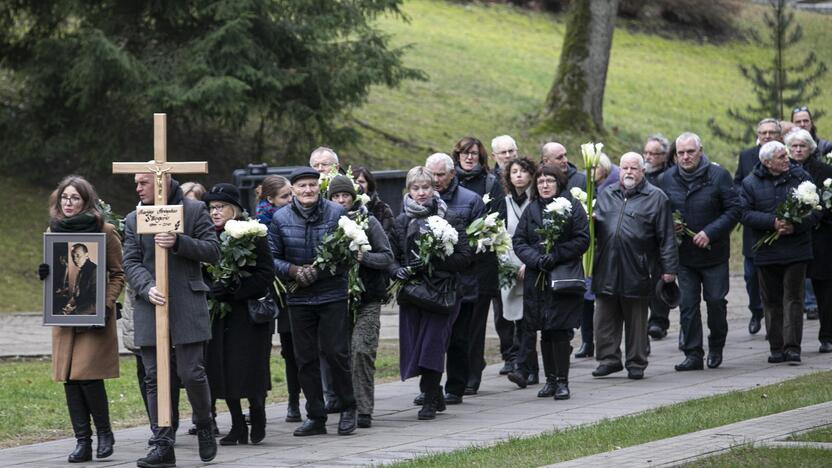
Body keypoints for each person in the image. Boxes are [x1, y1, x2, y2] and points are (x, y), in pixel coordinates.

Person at [123, 174, 220, 467]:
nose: (137, 188)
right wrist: (146, 286)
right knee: (155, 377)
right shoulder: (133, 218)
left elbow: (213, 251)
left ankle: (204, 425)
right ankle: (162, 442)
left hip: (187, 301)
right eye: (136, 183)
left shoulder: (193, 210)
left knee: (192, 372)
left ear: (161, 183)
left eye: (143, 182)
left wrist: (180, 242)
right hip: (151, 304)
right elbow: (131, 261)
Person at [39, 176, 125, 463]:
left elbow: (118, 273)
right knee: (70, 379)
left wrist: (105, 304)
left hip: (94, 317)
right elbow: (59, 276)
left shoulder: (105, 230)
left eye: (75, 197)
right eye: (65, 197)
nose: (68, 203)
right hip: (65, 319)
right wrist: (46, 275)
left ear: (86, 200)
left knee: (87, 376)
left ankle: (105, 434)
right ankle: (82, 441)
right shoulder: (54, 231)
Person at [268, 167, 357, 436]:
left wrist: (320, 269)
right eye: (302, 186)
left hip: (331, 294)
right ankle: (316, 415)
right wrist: (293, 271)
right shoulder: (280, 217)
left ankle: (348, 407)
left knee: (336, 352)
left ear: (319, 188)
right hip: (299, 297)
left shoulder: (336, 213)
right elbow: (271, 257)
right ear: (293, 190)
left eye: (312, 185)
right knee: (304, 358)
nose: (307, 190)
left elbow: (348, 255)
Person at [389, 166, 472, 419]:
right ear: (409, 190)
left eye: (426, 187)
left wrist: (434, 262)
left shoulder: (451, 218)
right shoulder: (401, 220)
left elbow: (465, 256)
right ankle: (434, 392)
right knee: (416, 344)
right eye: (416, 188)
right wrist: (398, 271)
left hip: (442, 292)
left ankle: (428, 398)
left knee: (432, 344)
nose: (421, 193)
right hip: (413, 294)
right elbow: (390, 255)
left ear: (434, 188)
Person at [591, 153, 678, 380]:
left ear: (643, 171)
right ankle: (608, 359)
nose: (628, 172)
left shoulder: (656, 197)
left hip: (639, 267)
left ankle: (636, 362)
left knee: (637, 320)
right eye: (624, 168)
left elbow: (666, 236)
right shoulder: (606, 194)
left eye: (633, 168)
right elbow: (595, 230)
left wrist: (669, 269)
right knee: (603, 318)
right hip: (607, 265)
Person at [658, 133, 741, 371]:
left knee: (715, 302)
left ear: (700, 151)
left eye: (690, 152)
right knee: (688, 305)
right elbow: (662, 210)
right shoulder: (667, 178)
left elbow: (734, 209)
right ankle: (693, 353)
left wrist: (710, 232)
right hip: (684, 256)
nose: (685, 157)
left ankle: (716, 346)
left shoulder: (719, 176)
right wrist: (671, 226)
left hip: (713, 254)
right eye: (680, 153)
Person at [202, 183, 275, 446]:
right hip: (220, 316)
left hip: (248, 314)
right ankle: (236, 426)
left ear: (234, 208)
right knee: (223, 369)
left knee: (250, 368)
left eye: (220, 207)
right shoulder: (208, 236)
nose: (215, 212)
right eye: (211, 207)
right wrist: (213, 290)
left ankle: (258, 413)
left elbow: (266, 274)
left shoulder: (252, 233)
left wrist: (235, 289)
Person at [510, 165, 589, 400]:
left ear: (559, 183)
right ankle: (550, 380)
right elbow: (519, 240)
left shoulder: (571, 207)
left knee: (560, 330)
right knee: (544, 329)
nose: (545, 185)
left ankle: (563, 381)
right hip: (538, 278)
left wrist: (556, 254)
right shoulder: (532, 209)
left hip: (562, 277)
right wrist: (536, 259)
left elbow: (582, 238)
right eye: (541, 181)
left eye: (550, 181)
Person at [740, 140, 819, 364]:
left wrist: (796, 225)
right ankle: (776, 346)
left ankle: (793, 347)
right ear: (767, 162)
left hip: (797, 249)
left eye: (786, 155)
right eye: (782, 157)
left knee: (794, 298)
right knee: (771, 300)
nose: (788, 159)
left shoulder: (800, 177)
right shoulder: (750, 183)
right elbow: (744, 213)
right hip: (767, 251)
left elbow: (816, 210)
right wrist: (772, 223)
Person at [327, 175, 394, 428]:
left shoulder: (369, 221)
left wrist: (362, 257)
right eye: (336, 196)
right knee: (340, 353)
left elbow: (386, 257)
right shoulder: (328, 223)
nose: (341, 200)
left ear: (353, 197)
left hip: (368, 297)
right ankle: (347, 404)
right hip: (336, 299)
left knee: (362, 350)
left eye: (345, 195)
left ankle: (364, 408)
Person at [424, 152, 485, 405]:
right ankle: (429, 388)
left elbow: (480, 243)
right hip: (430, 284)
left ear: (452, 174)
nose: (436, 180)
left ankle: (455, 387)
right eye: (432, 174)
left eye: (440, 174)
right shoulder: (422, 198)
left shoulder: (471, 201)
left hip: (463, 281)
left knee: (459, 339)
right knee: (430, 339)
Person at [451, 137, 504, 394]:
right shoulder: (450, 182)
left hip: (481, 264)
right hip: (455, 265)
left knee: (475, 324)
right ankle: (455, 375)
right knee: (455, 325)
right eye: (465, 153)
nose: (469, 158)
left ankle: (473, 374)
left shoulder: (490, 183)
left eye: (474, 154)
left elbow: (497, 220)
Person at [255, 175, 302, 421]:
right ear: (269, 199)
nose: (291, 200)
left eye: (291, 194)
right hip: (277, 293)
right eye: (285, 196)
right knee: (288, 349)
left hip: (297, 286)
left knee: (300, 348)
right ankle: (292, 401)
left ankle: (303, 399)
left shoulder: (297, 215)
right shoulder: (259, 224)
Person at [784, 129, 832, 353]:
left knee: (824, 289)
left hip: (821, 237)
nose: (798, 150)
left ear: (810, 148)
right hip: (794, 239)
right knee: (794, 290)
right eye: (793, 146)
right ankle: (791, 340)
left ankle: (827, 335)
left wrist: (813, 217)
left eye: (802, 146)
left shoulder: (825, 171)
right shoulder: (785, 172)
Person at [735, 118, 782, 335]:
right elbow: (737, 183)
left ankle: (777, 323)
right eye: (763, 132)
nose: (767, 136)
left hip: (781, 229)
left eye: (772, 132)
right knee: (751, 276)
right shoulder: (746, 156)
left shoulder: (785, 157)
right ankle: (756, 311)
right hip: (753, 228)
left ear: (779, 136)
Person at [497, 157, 539, 384]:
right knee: (516, 320)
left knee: (529, 321)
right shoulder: (504, 203)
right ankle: (528, 368)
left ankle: (524, 368)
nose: (519, 175)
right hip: (511, 267)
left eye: (523, 171)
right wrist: (511, 265)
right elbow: (501, 236)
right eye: (514, 172)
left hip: (532, 266)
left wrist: (528, 264)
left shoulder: (537, 201)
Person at [576, 152, 619, 359]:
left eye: (595, 168)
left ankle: (609, 343)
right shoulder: (587, 186)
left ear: (605, 168)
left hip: (607, 251)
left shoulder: (613, 186)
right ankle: (587, 341)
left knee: (606, 300)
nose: (591, 173)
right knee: (585, 299)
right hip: (589, 250)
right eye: (589, 169)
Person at [643, 134, 673, 341]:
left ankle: (658, 321)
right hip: (642, 237)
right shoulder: (640, 175)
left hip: (662, 235)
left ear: (664, 156)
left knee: (660, 278)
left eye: (654, 154)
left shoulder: (670, 177)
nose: (649, 157)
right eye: (647, 153)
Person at [353, 166, 395, 237]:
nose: (357, 185)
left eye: (361, 182)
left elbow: (389, 238)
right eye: (354, 181)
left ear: (369, 186)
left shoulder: (383, 209)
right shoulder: (344, 207)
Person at [66, 244, 97, 315]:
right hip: (79, 309)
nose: (75, 259)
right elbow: (75, 295)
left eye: (78, 256)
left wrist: (75, 310)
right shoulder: (80, 271)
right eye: (73, 256)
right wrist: (69, 305)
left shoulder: (95, 271)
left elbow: (96, 302)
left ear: (86, 255)